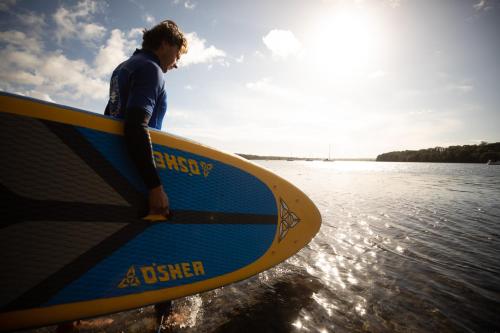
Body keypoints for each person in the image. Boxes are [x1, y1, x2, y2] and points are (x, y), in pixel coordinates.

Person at [105, 19, 188, 218]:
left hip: (121, 167)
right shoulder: (151, 69)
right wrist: (155, 188)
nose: (176, 64)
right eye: (177, 55)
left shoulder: (124, 67)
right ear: (166, 43)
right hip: (141, 177)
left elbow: (109, 117)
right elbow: (135, 125)